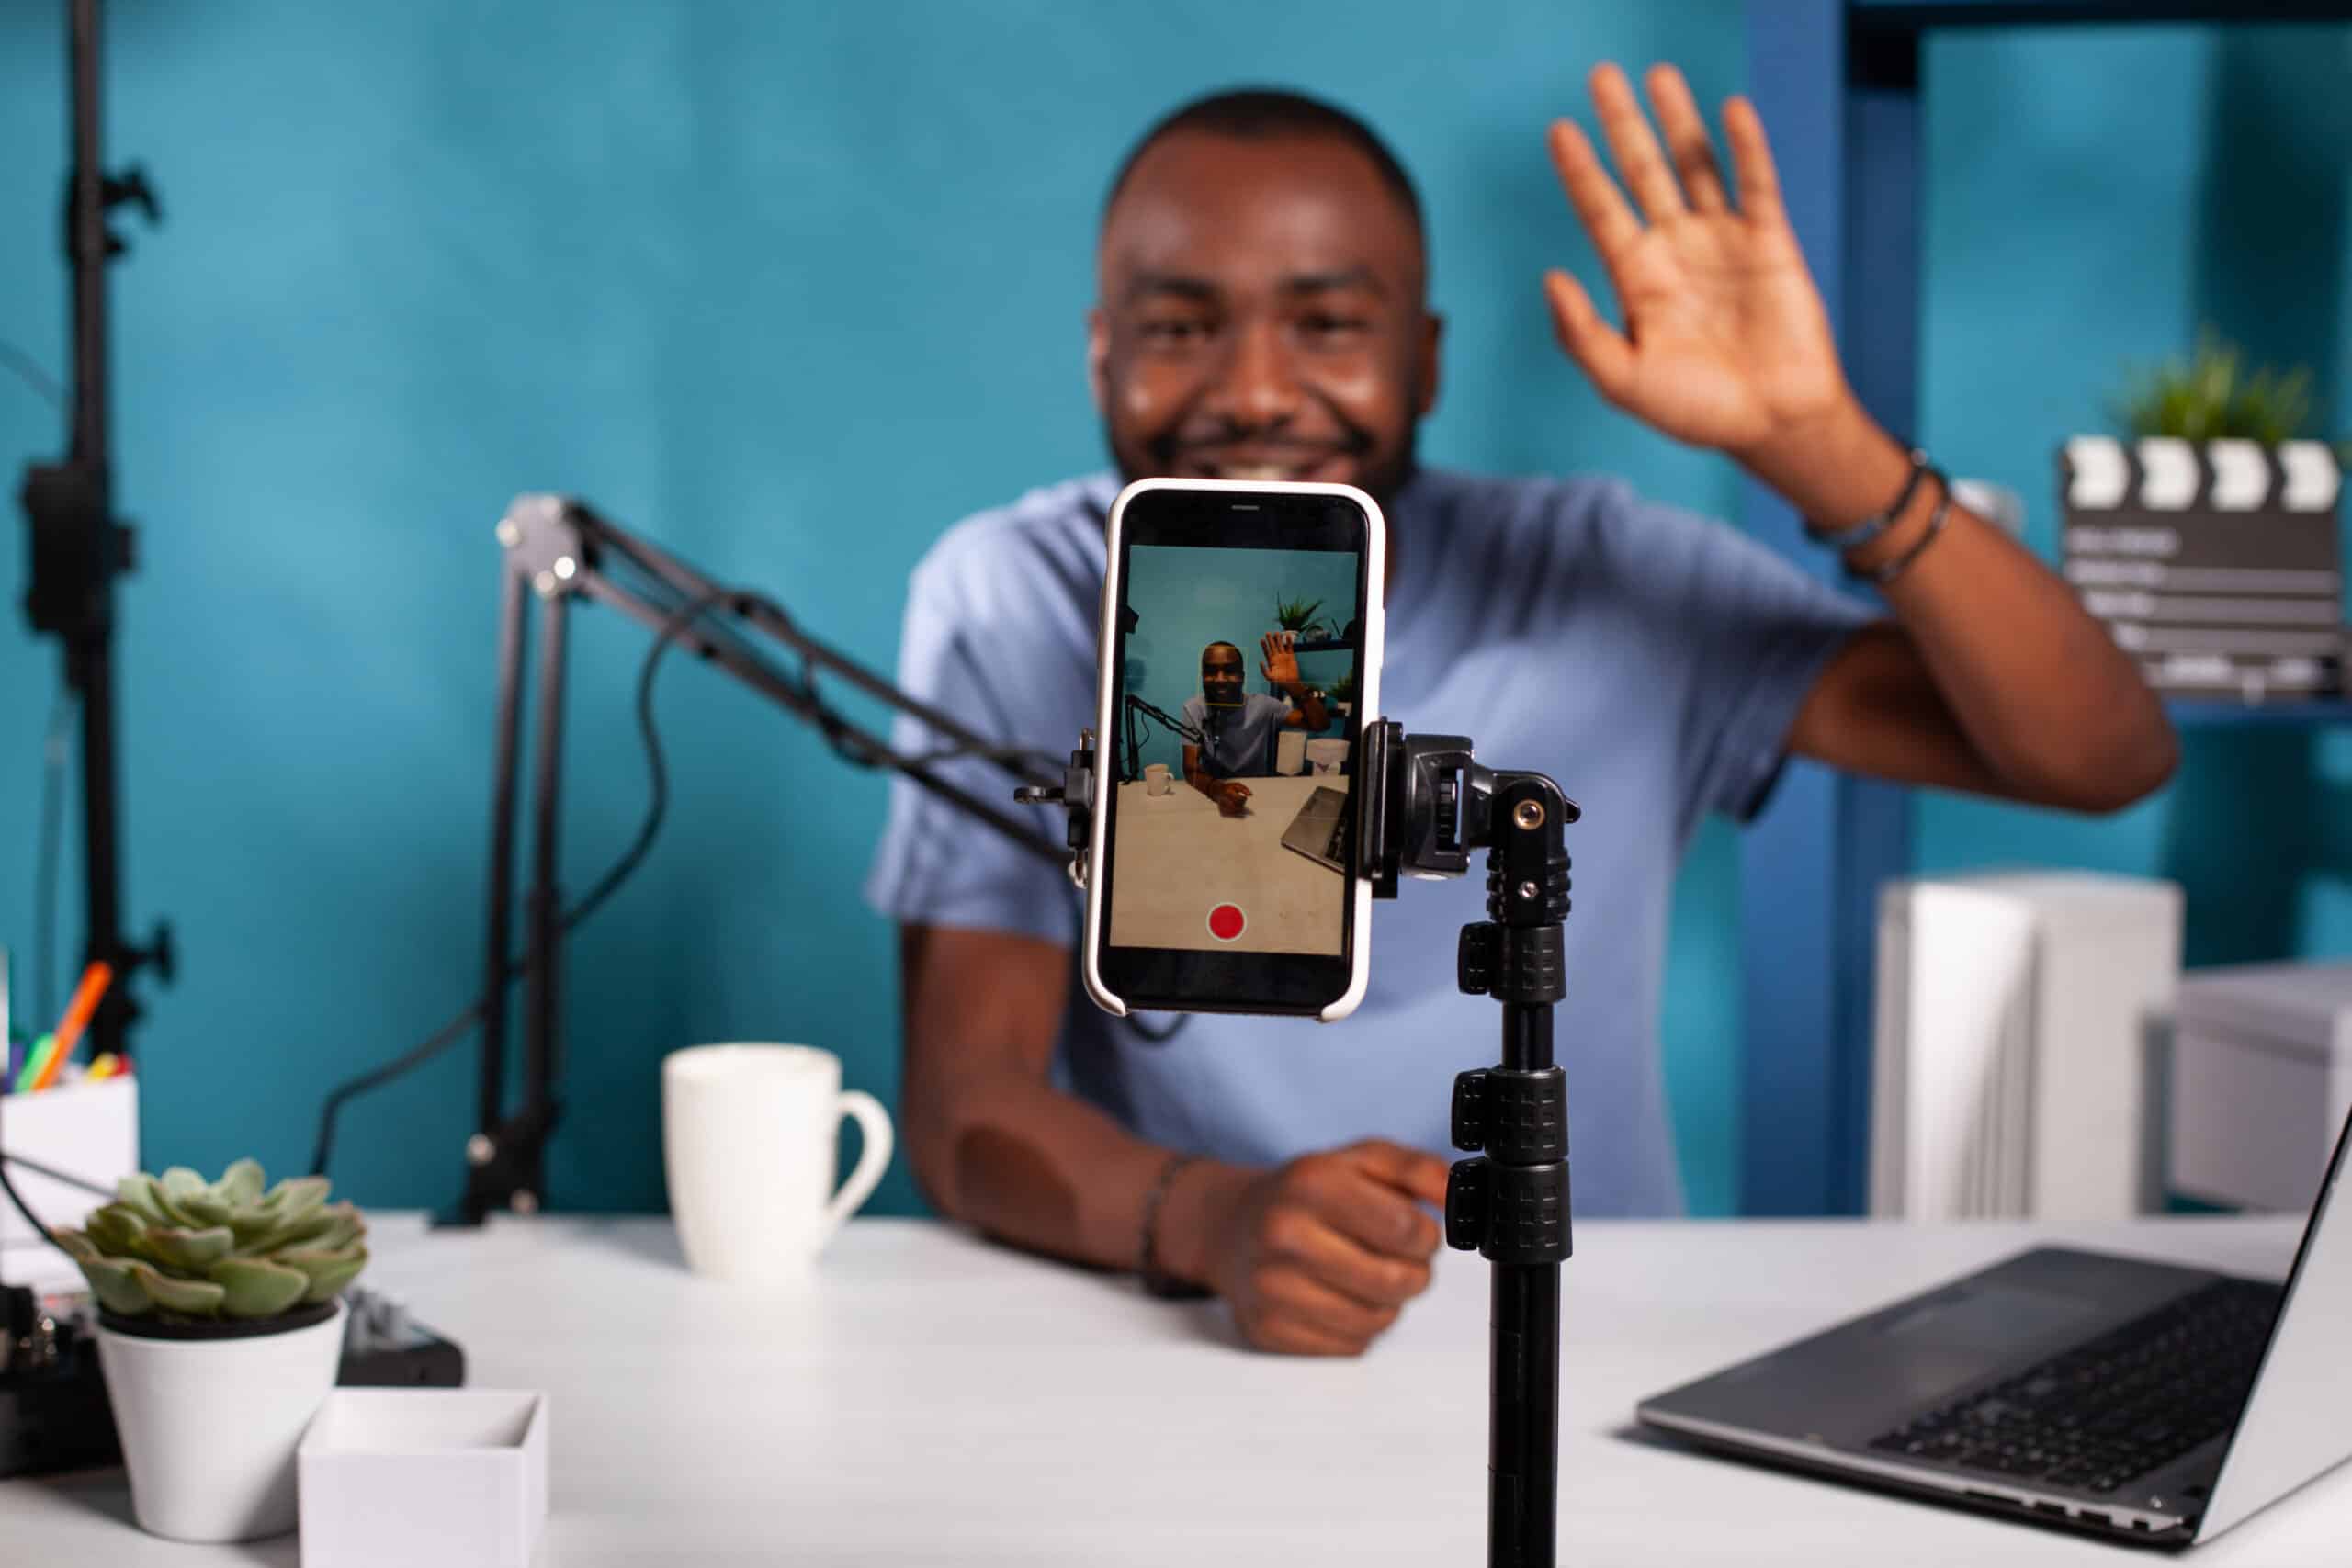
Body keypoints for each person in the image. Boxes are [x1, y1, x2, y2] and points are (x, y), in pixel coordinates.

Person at [865, 69, 2176, 1357]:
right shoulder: (1016, 596)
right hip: (1193, 1333)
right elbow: (965, 1101)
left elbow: (2104, 753)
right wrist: (1216, 1220)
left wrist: (1817, 438)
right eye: (1181, 325)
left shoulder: (1601, 567)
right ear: (1103, 352)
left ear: (1425, 359)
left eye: (1326, 323)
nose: (1255, 388)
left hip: (1594, 1329)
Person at [1180, 634, 1329, 814]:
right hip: (1212, 794)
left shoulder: (1264, 706)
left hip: (1257, 796)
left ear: (1242, 677)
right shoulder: (1193, 709)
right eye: (1211, 672)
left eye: (1229, 671)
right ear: (1203, 676)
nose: (1219, 679)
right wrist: (1218, 791)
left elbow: (1320, 724)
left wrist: (1294, 686)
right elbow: (1190, 768)